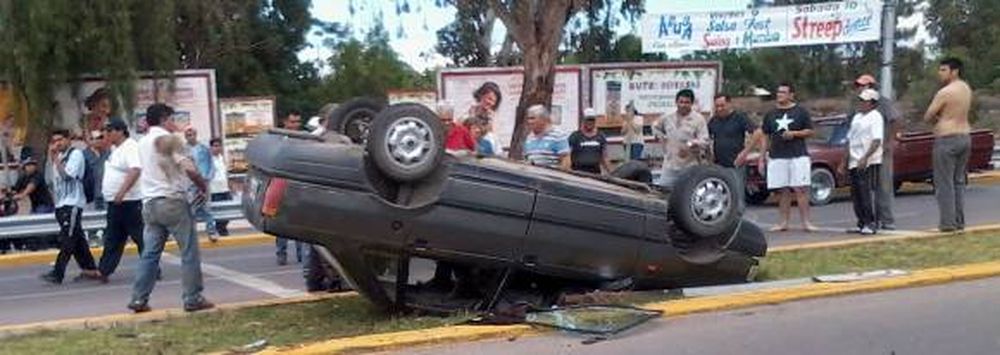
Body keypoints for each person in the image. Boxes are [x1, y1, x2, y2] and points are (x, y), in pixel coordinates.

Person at [129, 103, 213, 313]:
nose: (175, 123)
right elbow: (189, 169)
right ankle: (192, 297)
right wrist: (203, 185)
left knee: (150, 253)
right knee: (189, 251)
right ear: (165, 119)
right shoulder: (169, 140)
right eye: (172, 119)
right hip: (172, 201)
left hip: (149, 203)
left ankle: (139, 298)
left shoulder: (142, 142)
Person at [740, 83, 817, 232]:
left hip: (798, 155)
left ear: (791, 95)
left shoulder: (800, 112)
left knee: (800, 189)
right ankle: (783, 222)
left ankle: (806, 222)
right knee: (782, 190)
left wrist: (794, 134)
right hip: (777, 156)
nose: (779, 94)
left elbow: (810, 131)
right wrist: (762, 157)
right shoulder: (771, 114)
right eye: (778, 92)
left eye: (783, 92)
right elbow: (765, 136)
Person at [40, 129, 102, 284]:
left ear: (68, 140)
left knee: (67, 239)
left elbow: (67, 176)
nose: (57, 144)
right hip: (61, 204)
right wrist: (53, 158)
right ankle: (90, 269)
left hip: (72, 203)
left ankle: (58, 272)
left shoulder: (75, 155)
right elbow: (50, 181)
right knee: (77, 239)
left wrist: (55, 158)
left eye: (60, 140)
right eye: (54, 141)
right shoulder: (57, 158)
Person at [923, 58, 973, 232]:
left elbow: (928, 115)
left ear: (954, 71)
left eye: (944, 70)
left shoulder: (945, 92)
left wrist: (939, 120)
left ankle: (947, 223)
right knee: (958, 181)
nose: (940, 73)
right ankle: (959, 221)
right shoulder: (966, 88)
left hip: (947, 137)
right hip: (965, 135)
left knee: (944, 183)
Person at [97, 118, 144, 281]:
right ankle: (104, 270)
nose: (106, 134)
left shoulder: (130, 147)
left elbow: (135, 170)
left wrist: (122, 192)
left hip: (129, 201)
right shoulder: (115, 149)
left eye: (109, 131)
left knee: (140, 236)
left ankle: (151, 268)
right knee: (113, 237)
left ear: (120, 131)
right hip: (115, 203)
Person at [853, 74, 902, 230]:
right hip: (863, 152)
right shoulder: (859, 106)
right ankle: (868, 220)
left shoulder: (882, 103)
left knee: (883, 185)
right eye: (859, 85)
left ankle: (886, 220)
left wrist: (889, 142)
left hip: (880, 150)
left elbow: (896, 120)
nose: (860, 88)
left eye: (864, 85)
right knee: (865, 188)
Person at [839, 89, 884, 235]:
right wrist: (843, 162)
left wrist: (865, 157)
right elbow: (850, 140)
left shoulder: (875, 117)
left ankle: (871, 223)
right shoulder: (857, 117)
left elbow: (876, 140)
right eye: (860, 100)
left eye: (865, 101)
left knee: (867, 193)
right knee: (856, 193)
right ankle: (861, 222)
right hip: (854, 160)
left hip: (869, 161)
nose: (861, 103)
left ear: (872, 103)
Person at [653, 89, 710, 189]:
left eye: (687, 102)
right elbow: (655, 126)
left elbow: (705, 140)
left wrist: (690, 144)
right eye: (681, 102)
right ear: (676, 102)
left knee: (687, 195)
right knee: (662, 192)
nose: (683, 105)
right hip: (669, 166)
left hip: (689, 167)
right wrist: (660, 138)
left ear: (692, 103)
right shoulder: (667, 117)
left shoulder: (698, 119)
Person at [709, 94, 755, 198]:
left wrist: (745, 153)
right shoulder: (713, 120)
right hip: (718, 165)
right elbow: (706, 137)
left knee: (737, 197)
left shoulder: (740, 117)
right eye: (717, 106)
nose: (719, 109)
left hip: (736, 165)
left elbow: (757, 133)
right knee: (721, 198)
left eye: (722, 105)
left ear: (729, 104)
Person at [275, 112, 304, 265]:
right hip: (280, 184)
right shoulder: (279, 140)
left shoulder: (304, 140)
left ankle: (301, 255)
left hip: (297, 185)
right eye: (292, 122)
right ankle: (281, 253)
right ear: (285, 122)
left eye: (298, 122)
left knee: (299, 222)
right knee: (280, 222)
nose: (295, 125)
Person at [184, 127, 217, 242]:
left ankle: (212, 232)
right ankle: (191, 235)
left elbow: (211, 165)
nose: (190, 136)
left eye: (192, 134)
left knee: (207, 209)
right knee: (190, 210)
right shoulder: (182, 150)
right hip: (189, 185)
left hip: (203, 183)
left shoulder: (204, 149)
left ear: (196, 134)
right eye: (187, 134)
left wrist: (207, 179)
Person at [523, 105, 570, 170]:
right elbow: (526, 159)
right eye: (528, 118)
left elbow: (566, 162)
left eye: (532, 118)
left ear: (543, 119)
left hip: (551, 178)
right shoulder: (529, 138)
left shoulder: (558, 135)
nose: (529, 121)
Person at [568, 108, 611, 174]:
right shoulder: (575, 136)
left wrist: (611, 173)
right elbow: (567, 155)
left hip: (595, 172)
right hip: (577, 172)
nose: (590, 122)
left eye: (592, 120)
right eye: (588, 119)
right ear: (583, 120)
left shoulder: (600, 136)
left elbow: (604, 156)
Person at [471, 82, 503, 156]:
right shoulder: (469, 114)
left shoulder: (493, 118)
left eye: (494, 101)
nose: (490, 103)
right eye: (489, 99)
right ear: (481, 95)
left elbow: (494, 140)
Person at [208, 138, 231, 236]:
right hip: (215, 190)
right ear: (211, 147)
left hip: (225, 189)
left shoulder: (222, 158)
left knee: (228, 212)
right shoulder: (209, 160)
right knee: (218, 213)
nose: (217, 148)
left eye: (219, 146)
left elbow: (225, 174)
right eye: (215, 146)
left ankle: (222, 228)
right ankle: (220, 229)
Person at [85, 130, 110, 211]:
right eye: (95, 138)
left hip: (106, 194)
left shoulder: (108, 153)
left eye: (100, 138)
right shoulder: (84, 155)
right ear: (90, 140)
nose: (98, 140)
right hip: (91, 195)